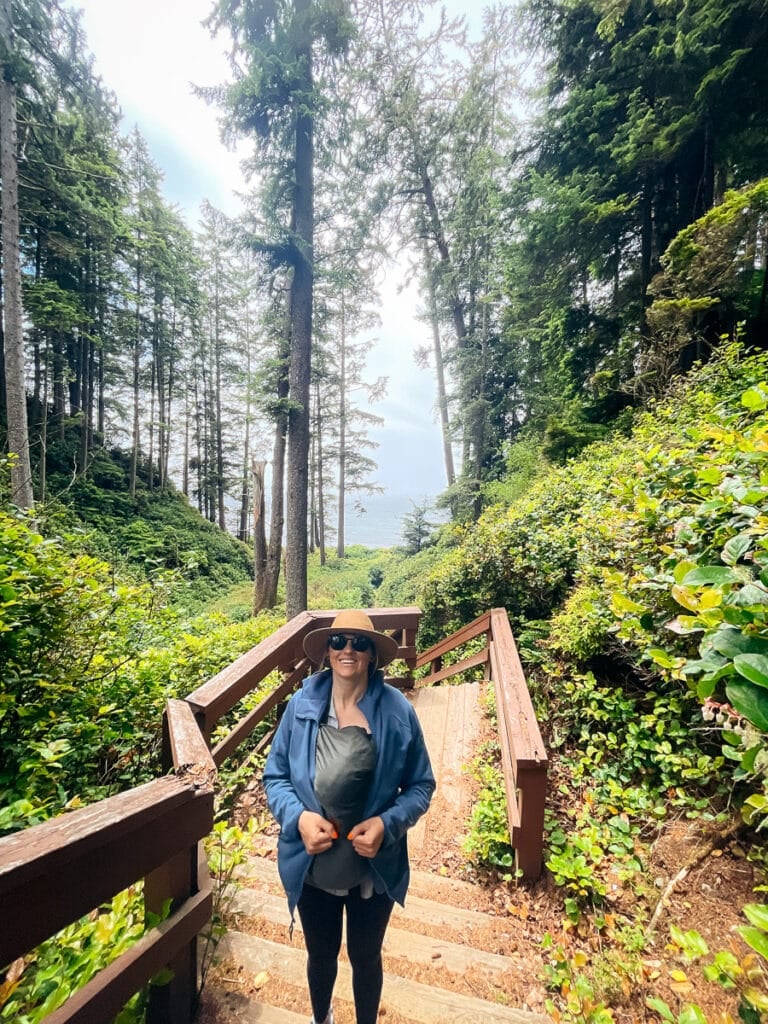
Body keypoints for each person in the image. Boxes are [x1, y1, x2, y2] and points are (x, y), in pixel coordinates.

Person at [263, 609, 436, 1024]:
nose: (348, 650)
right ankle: (321, 1017)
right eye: (339, 641)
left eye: (360, 643)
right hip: (312, 865)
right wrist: (299, 819)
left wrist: (387, 824)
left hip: (372, 872)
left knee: (365, 956)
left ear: (373, 655)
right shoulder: (301, 703)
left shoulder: (397, 713)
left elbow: (421, 785)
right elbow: (276, 777)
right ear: (326, 650)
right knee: (320, 953)